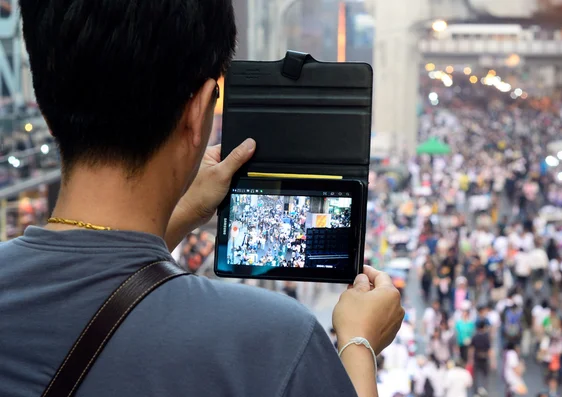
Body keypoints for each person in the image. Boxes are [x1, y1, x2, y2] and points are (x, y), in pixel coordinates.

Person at [0, 1, 406, 396]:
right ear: (198, 113)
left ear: (46, 108)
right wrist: (359, 345)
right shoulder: (275, 343)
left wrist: (182, 214)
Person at [470, 321, 494, 394]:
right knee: (485, 376)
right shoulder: (486, 337)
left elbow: (471, 349)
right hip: (484, 358)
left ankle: (476, 392)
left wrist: (470, 359)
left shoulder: (475, 336)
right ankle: (484, 391)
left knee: (476, 376)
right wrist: (492, 361)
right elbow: (489, 350)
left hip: (476, 358)